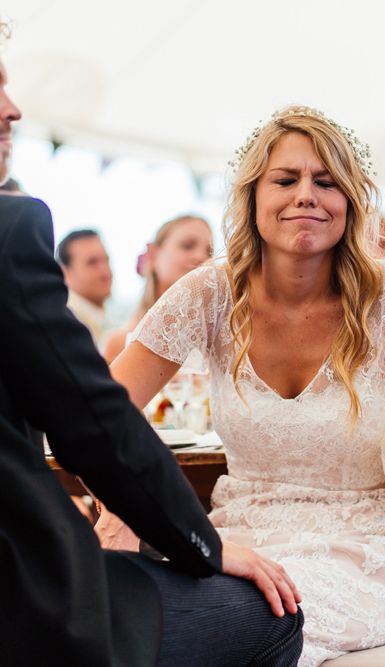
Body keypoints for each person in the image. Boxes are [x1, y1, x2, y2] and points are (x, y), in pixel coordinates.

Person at [98, 105, 385, 666]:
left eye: (326, 182)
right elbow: (101, 414)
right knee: (114, 608)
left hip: (357, 562)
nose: (306, 195)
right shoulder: (208, 293)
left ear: (350, 201)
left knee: (217, 623)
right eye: (285, 179)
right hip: (233, 545)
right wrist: (121, 515)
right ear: (252, 197)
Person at [0, 24, 303, 667]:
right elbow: (96, 424)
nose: (14, 109)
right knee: (274, 616)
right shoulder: (9, 230)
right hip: (18, 598)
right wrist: (205, 548)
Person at [102, 214, 213, 363]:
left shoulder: (219, 341)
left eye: (209, 252)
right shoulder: (119, 343)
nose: (201, 256)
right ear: (154, 256)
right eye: (187, 245)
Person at [56, 229, 113, 346]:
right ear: (65, 273)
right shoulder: (66, 325)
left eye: (106, 260)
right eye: (92, 263)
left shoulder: (101, 318)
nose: (105, 271)